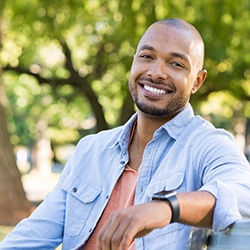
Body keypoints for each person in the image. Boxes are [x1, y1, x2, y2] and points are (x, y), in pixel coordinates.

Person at [1, 17, 250, 250]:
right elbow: (32, 237)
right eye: (147, 56)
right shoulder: (91, 149)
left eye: (176, 63)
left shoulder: (208, 145)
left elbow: (242, 197)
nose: (156, 72)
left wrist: (166, 208)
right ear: (133, 62)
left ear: (197, 81)